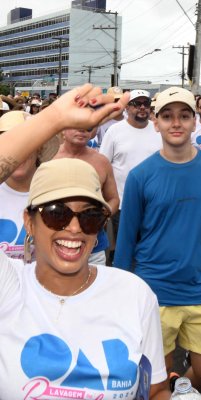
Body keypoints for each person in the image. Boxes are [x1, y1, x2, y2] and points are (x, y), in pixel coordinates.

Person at [0, 84, 170, 399]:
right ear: (29, 222)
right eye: (56, 213)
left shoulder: (134, 294)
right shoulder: (8, 287)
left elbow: (155, 389)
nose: (75, 228)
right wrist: (53, 119)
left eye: (90, 216)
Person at [113, 87, 201, 392]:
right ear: (156, 122)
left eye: (184, 115)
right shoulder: (140, 175)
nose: (176, 123)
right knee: (155, 381)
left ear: (195, 122)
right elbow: (126, 238)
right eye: (167, 116)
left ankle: (178, 390)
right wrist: (116, 290)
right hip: (155, 290)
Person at [99, 89, 162, 251]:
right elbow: (103, 166)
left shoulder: (158, 130)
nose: (142, 107)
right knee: (123, 251)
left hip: (153, 205)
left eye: (146, 103)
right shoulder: (114, 131)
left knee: (150, 251)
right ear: (127, 107)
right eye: (136, 104)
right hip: (122, 205)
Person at [53, 125, 120, 265]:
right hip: (55, 244)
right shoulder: (49, 159)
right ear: (63, 129)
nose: (82, 129)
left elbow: (113, 199)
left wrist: (101, 216)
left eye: (87, 126)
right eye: (75, 125)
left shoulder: (101, 162)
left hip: (94, 247)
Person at [0, 111, 59, 260]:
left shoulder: (57, 191)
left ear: (38, 148)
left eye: (24, 144)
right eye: (10, 146)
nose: (17, 154)